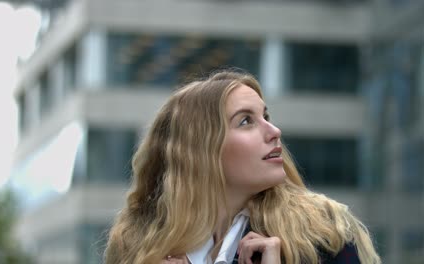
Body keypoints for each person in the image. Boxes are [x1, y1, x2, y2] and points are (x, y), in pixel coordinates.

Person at [104, 70, 381, 264]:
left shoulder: (321, 237)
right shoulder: (138, 250)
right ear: (201, 150)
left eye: (266, 116)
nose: (274, 131)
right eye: (246, 121)